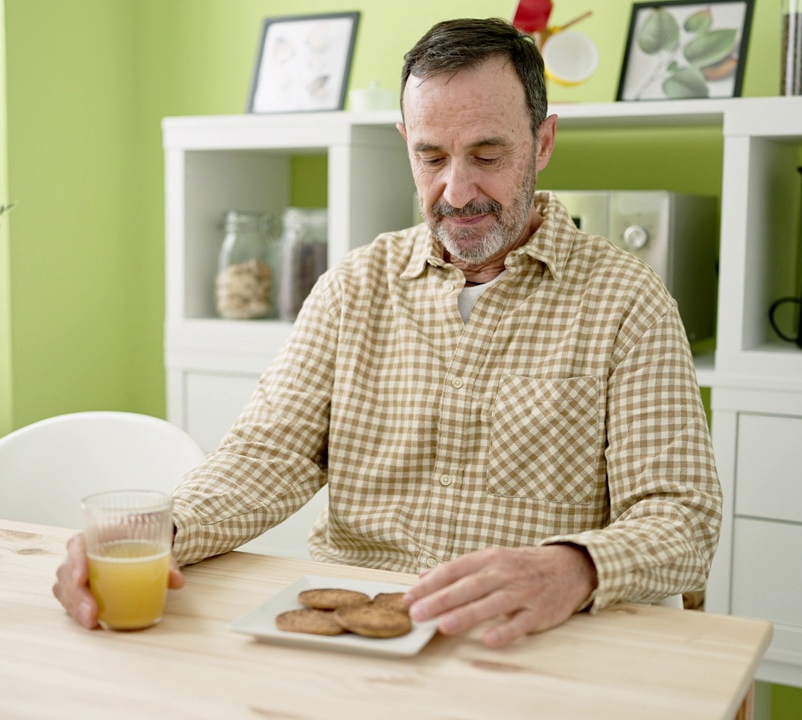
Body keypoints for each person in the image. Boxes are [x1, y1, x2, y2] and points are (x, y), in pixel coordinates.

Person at [55, 17, 721, 648]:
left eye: (488, 154)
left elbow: (682, 518)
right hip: (356, 637)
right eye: (431, 157)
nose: (457, 191)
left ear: (542, 142)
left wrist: (574, 567)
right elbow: (266, 456)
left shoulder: (628, 302)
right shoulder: (356, 287)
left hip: (527, 639)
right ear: (406, 142)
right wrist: (156, 533)